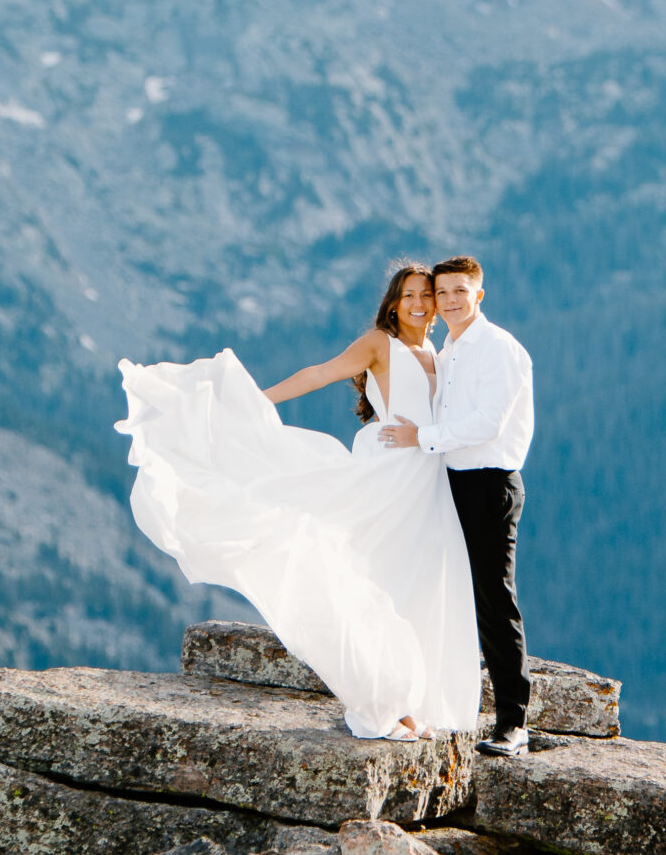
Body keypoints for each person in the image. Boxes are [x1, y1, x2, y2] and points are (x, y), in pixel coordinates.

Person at [114, 264, 481, 740]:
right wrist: (256, 402)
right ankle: (384, 702)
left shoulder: (434, 350)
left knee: (416, 590)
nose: (418, 303)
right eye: (408, 295)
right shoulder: (379, 343)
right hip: (388, 479)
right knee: (372, 585)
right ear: (394, 302)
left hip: (427, 485)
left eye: (425, 295)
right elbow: (322, 373)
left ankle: (413, 701)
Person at [376, 254, 534, 755]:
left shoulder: (499, 348)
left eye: (458, 292)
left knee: (494, 598)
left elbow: (488, 423)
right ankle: (416, 701)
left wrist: (421, 436)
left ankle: (513, 723)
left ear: (478, 295)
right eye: (441, 293)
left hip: (489, 483)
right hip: (451, 482)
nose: (447, 302)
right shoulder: (449, 349)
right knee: (440, 592)